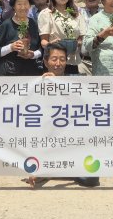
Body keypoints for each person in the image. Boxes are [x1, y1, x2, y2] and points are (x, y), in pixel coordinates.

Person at [23, 43, 99, 189]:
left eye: (62, 59)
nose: (58, 63)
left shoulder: (75, 81)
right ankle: (45, 167)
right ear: (45, 62)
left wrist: (60, 84)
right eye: (54, 59)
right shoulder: (34, 85)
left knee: (91, 180)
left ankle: (61, 168)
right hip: (46, 142)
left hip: (72, 141)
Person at [37, 0, 85, 75]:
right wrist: (51, 44)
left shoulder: (76, 14)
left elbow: (81, 37)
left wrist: (77, 43)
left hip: (73, 61)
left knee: (71, 89)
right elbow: (43, 41)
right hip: (54, 63)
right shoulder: (46, 13)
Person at [0, 0, 44, 76]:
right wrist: (11, 47)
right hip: (9, 73)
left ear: (30, 5)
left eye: (25, 4)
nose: (23, 7)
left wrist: (33, 55)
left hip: (30, 72)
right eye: (19, 4)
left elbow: (41, 49)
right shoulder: (6, 25)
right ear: (13, 6)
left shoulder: (34, 24)